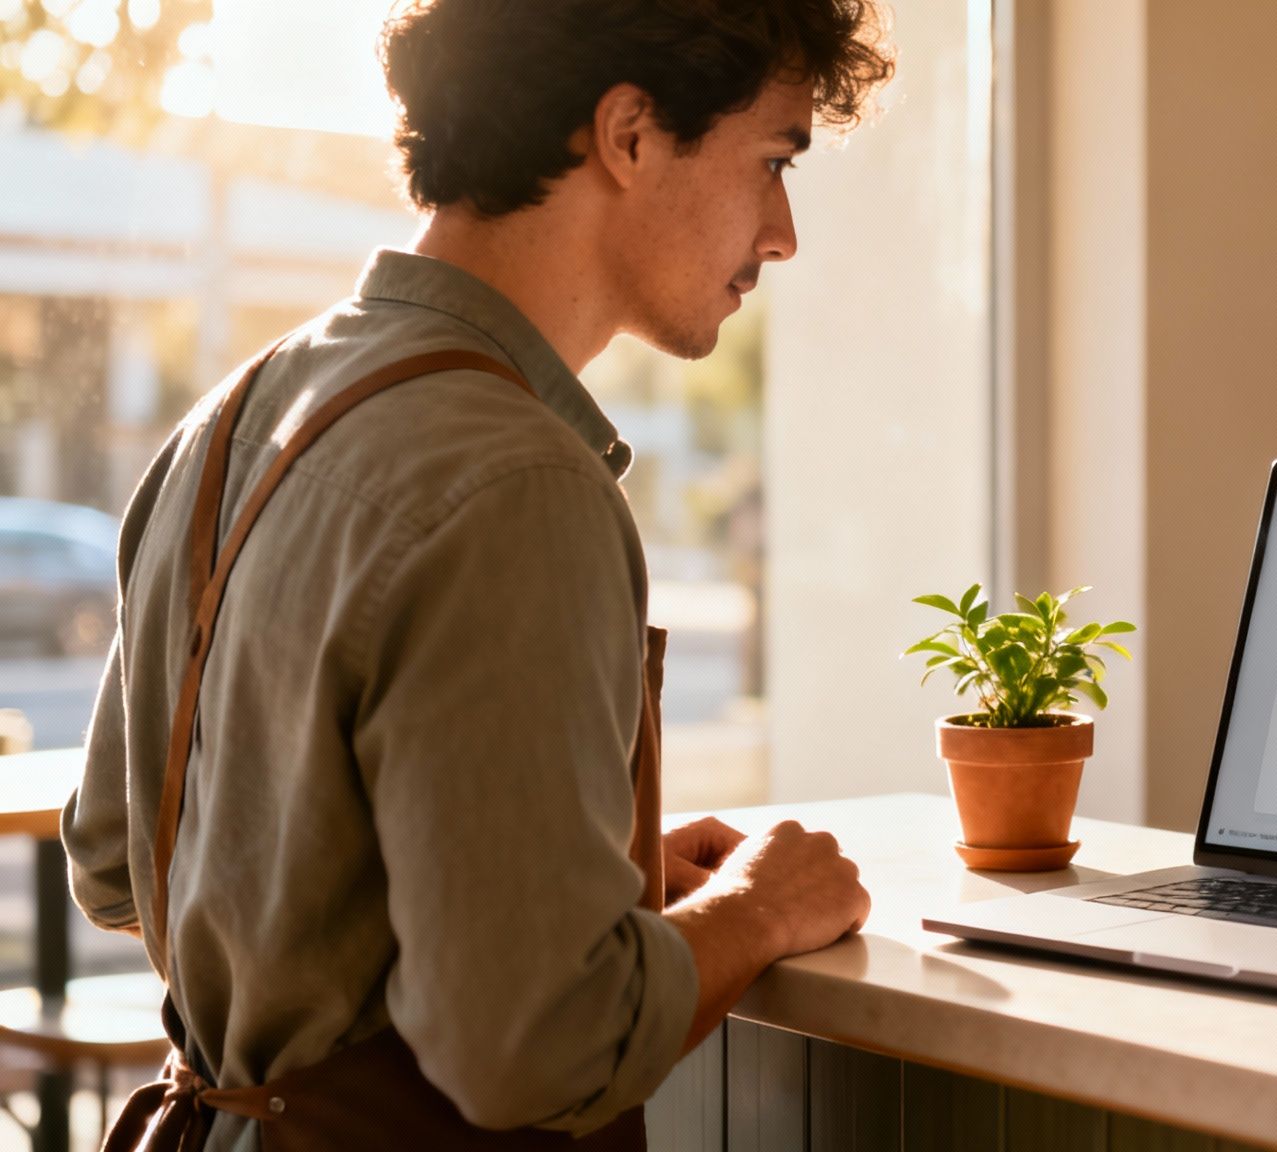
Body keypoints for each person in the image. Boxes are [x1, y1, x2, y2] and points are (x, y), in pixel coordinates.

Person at [60, 1, 891, 1146]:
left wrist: (532, 865)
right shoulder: (517, 485)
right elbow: (532, 1046)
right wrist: (758, 910)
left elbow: (119, 857)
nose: (783, 231)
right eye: (772, 161)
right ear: (630, 133)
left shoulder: (233, 415)